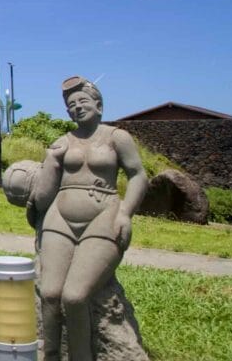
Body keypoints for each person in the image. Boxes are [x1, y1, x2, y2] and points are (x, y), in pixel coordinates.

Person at [28, 76, 148, 361]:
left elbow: (138, 175)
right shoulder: (62, 142)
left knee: (75, 296)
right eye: (71, 105)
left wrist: (125, 213)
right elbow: (43, 198)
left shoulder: (117, 137)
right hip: (59, 218)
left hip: (103, 214)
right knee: (50, 293)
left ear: (99, 105)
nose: (77, 107)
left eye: (83, 101)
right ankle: (51, 355)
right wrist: (51, 162)